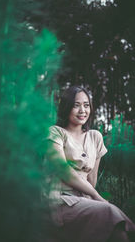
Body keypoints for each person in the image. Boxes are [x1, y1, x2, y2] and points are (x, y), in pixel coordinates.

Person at [47, 85, 135, 242]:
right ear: (66, 107)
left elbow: (91, 180)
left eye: (86, 105)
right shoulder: (56, 132)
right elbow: (63, 170)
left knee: (117, 228)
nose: (82, 110)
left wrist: (92, 195)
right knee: (109, 211)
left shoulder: (95, 137)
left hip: (84, 199)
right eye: (76, 105)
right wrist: (97, 196)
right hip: (61, 199)